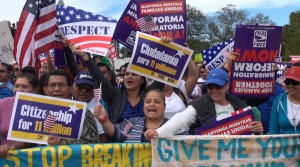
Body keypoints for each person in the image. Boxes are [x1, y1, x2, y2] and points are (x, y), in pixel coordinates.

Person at [144, 68, 263, 138]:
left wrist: (258, 130)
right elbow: (181, 119)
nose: (214, 90)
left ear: (227, 86)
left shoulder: (239, 105)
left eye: (218, 86)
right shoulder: (200, 103)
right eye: (210, 87)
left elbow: (252, 136)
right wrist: (158, 132)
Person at [69, 44, 165, 124]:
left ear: (142, 80)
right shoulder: (115, 94)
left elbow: (163, 76)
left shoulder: (149, 94)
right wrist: (86, 58)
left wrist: (166, 47)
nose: (129, 77)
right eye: (126, 74)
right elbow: (99, 77)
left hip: (146, 143)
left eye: (134, 74)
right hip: (119, 145)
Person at [94, 89, 186, 142]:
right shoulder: (131, 123)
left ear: (164, 107)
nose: (152, 104)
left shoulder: (175, 127)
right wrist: (104, 120)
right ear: (144, 105)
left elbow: (188, 146)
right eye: (148, 101)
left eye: (157, 102)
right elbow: (115, 132)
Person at [43, 70, 99, 145]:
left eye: (61, 85)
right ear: (46, 89)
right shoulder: (34, 110)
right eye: (52, 85)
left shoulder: (83, 113)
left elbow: (93, 143)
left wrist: (62, 141)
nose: (57, 89)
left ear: (70, 88)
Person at [0, 73, 39, 157]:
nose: (19, 90)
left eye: (24, 87)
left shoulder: (41, 107)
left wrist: (11, 147)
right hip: (4, 158)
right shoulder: (3, 104)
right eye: (16, 86)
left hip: (32, 158)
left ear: (35, 89)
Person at [72, 71, 107, 142]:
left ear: (93, 90)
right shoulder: (65, 104)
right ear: (73, 86)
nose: (84, 90)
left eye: (88, 87)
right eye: (80, 86)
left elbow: (102, 137)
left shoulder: (98, 108)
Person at [269, 66, 300, 134]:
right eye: (287, 82)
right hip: (284, 144)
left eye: (295, 82)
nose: (290, 85)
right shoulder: (278, 100)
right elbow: (273, 129)